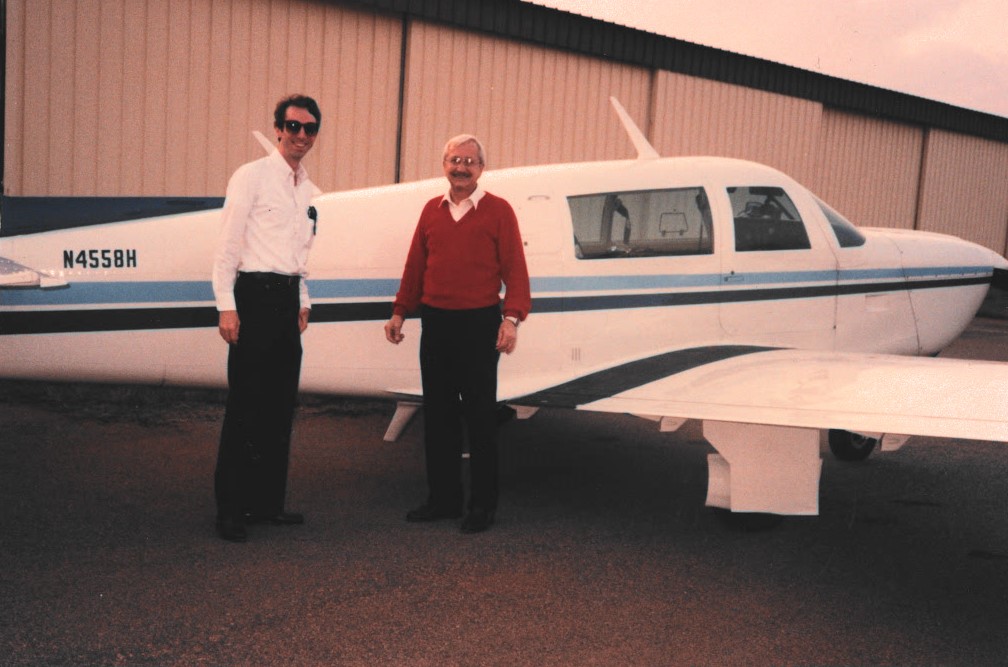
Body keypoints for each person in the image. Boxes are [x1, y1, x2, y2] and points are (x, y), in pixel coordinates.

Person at [384, 134, 531, 534]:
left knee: (481, 418)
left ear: (481, 168)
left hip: (480, 325)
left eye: (469, 160)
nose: (461, 166)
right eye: (454, 159)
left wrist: (511, 319)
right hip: (436, 323)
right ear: (444, 165)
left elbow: (516, 271)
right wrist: (400, 311)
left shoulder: (499, 211)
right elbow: (415, 266)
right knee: (439, 416)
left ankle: (482, 506)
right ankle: (443, 500)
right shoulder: (431, 211)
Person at [211, 94, 322, 542]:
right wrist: (226, 305)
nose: (300, 135)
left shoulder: (306, 188)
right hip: (253, 298)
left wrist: (304, 298)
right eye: (292, 126)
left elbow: (301, 253)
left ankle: (267, 504)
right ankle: (231, 511)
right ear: (277, 129)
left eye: (309, 129)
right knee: (246, 408)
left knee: (279, 408)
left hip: (287, 301)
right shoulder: (251, 177)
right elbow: (228, 245)